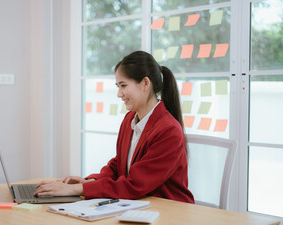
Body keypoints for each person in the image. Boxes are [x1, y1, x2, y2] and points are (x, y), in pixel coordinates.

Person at [34, 51, 194, 203]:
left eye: (123, 85)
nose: (119, 93)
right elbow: (119, 165)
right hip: (139, 205)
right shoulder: (130, 118)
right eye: (118, 86)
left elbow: (134, 184)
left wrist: (76, 189)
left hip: (168, 211)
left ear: (145, 83)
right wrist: (90, 181)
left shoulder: (169, 130)